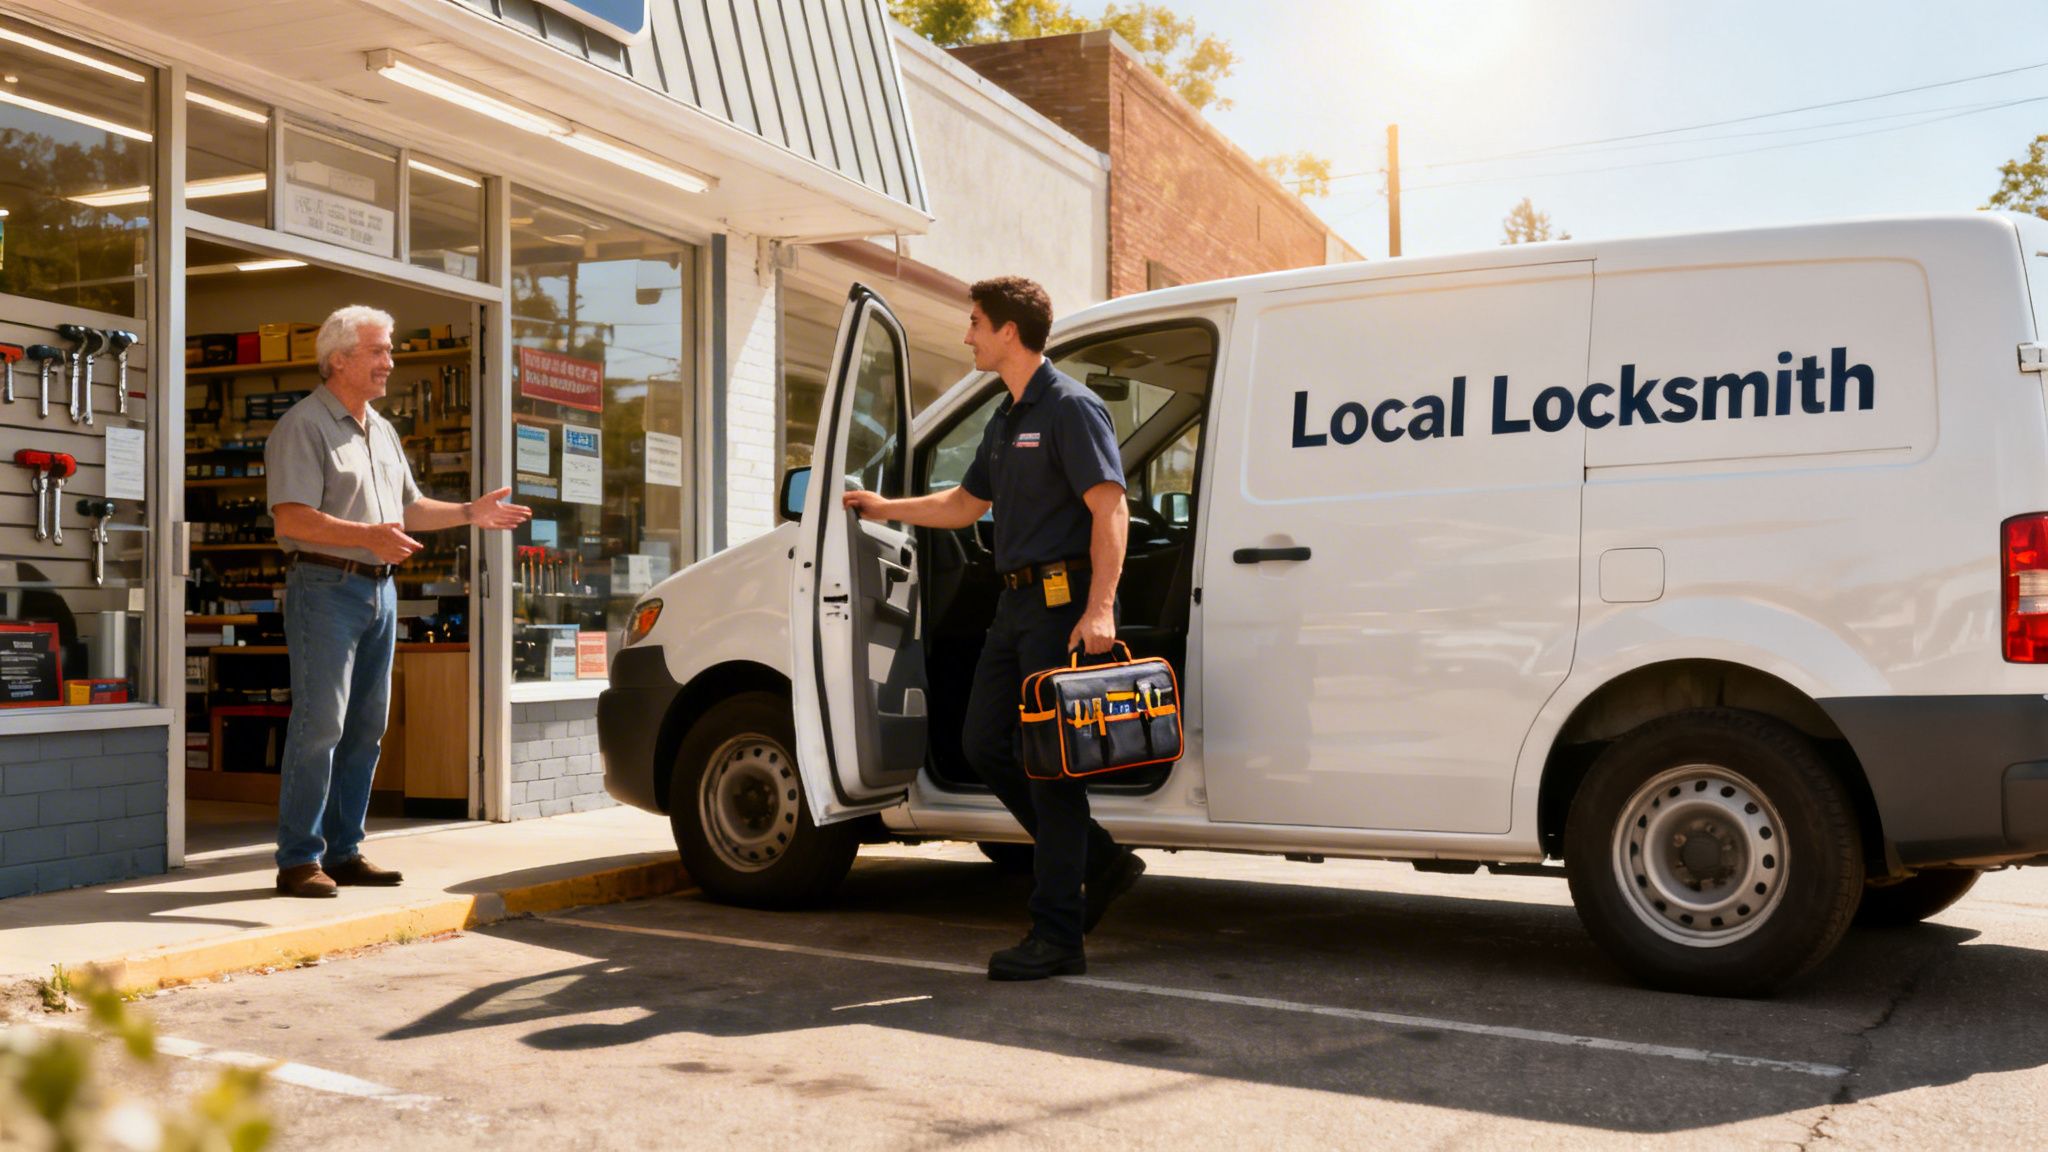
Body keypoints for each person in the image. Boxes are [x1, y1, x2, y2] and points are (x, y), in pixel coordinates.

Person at [845, 276, 1144, 980]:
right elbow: (962, 502)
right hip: (1013, 607)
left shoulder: (1071, 407)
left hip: (1063, 605)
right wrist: (886, 509)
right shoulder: (1005, 419)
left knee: (1052, 770)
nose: (968, 334)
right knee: (983, 740)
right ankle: (1097, 861)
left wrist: (1100, 608)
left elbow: (1111, 511)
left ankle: (1057, 934)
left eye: (976, 322)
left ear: (1010, 331)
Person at [265, 305, 531, 898]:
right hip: (325, 588)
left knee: (366, 727)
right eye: (379, 351)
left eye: (389, 351)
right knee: (321, 725)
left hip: (380, 590)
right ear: (339, 359)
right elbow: (292, 516)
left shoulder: (381, 428)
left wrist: (468, 513)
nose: (390, 362)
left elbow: (407, 508)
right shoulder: (303, 426)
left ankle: (345, 850)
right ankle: (298, 859)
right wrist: (366, 535)